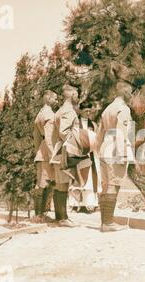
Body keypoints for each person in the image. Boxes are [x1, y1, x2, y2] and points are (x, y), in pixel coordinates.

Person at [95, 82, 134, 232]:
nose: (131, 95)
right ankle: (108, 222)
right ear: (124, 92)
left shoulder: (107, 108)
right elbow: (121, 133)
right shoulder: (123, 109)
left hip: (105, 147)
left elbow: (100, 132)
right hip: (116, 149)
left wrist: (99, 149)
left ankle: (104, 221)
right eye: (130, 92)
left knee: (105, 185)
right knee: (113, 185)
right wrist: (122, 153)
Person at [50, 84, 80, 227]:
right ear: (72, 95)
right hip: (64, 152)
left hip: (59, 151)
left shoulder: (61, 110)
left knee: (60, 184)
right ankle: (62, 218)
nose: (78, 97)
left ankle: (60, 217)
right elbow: (64, 132)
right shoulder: (69, 111)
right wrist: (75, 145)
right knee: (62, 184)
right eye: (77, 94)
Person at [69, 101, 100, 213]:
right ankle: (74, 204)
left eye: (89, 111)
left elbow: (97, 138)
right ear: (80, 110)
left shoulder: (94, 125)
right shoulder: (75, 123)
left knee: (90, 178)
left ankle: (89, 203)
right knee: (77, 177)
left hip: (90, 154)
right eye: (85, 111)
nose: (88, 113)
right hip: (78, 153)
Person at [32, 90, 58, 222]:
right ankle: (39, 215)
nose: (56, 101)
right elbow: (48, 138)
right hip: (48, 153)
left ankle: (40, 214)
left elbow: (36, 138)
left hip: (41, 153)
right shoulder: (49, 114)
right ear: (48, 99)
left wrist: (39, 151)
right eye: (55, 99)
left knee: (43, 183)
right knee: (43, 184)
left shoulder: (40, 113)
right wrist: (53, 155)